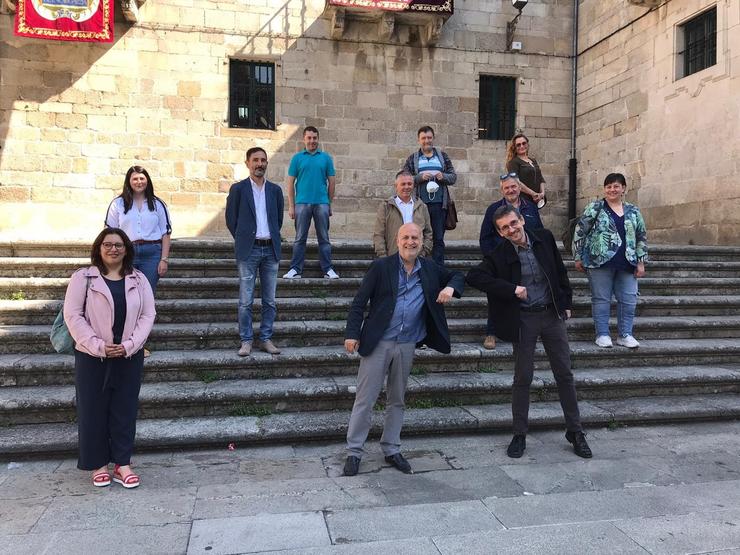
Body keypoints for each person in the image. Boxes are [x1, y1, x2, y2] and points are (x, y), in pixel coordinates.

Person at [466, 206, 592, 460]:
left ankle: (575, 431)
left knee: (564, 374)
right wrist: (511, 289)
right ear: (500, 233)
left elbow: (559, 271)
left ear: (522, 220)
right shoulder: (499, 254)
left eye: (513, 223)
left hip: (552, 315)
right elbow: (474, 277)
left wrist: (566, 303)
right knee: (523, 377)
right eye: (505, 227)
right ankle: (519, 434)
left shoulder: (543, 238)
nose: (511, 230)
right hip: (523, 319)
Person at [343, 223, 464, 476]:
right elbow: (358, 303)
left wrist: (450, 288)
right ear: (397, 241)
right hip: (379, 342)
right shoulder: (381, 267)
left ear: (422, 242)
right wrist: (352, 334)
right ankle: (354, 452)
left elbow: (458, 275)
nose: (411, 242)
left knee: (397, 399)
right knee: (365, 399)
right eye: (406, 237)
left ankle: (391, 449)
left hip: (408, 343)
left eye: (415, 238)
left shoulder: (429, 269)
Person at [63, 228, 155, 489]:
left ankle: (123, 463)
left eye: (118, 245)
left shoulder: (138, 279)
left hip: (128, 355)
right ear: (98, 248)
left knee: (124, 409)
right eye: (107, 244)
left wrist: (130, 345)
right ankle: (98, 464)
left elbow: (148, 315)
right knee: (93, 409)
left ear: (126, 249)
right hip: (92, 357)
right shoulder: (84, 277)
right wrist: (97, 346)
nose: (113, 249)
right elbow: (73, 315)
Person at [573, 173, 648, 349]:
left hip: (627, 261)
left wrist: (641, 261)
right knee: (601, 299)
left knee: (629, 299)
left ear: (623, 189)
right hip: (599, 261)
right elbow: (580, 231)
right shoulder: (595, 207)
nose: (612, 189)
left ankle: (625, 334)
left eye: (616, 186)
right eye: (608, 186)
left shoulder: (633, 211)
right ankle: (602, 335)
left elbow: (641, 236)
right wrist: (578, 256)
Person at [226, 147, 284, 356]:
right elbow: (231, 219)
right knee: (246, 300)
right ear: (247, 163)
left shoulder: (275, 191)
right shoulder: (238, 189)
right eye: (256, 160)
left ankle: (266, 338)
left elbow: (278, 220)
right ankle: (247, 340)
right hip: (248, 251)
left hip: (270, 250)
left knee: (269, 300)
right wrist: (244, 238)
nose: (260, 164)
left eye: (263, 160)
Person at [478, 172, 543, 350]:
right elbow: (485, 238)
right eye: (506, 188)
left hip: (526, 259)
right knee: (496, 295)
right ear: (502, 190)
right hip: (502, 262)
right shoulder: (493, 209)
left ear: (519, 187)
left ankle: (525, 331)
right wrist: (493, 259)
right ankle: (491, 332)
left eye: (513, 186)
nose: (510, 190)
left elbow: (539, 233)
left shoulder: (530, 208)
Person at [105, 166, 172, 293]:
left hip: (152, 254)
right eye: (135, 179)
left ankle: (147, 314)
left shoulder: (158, 204)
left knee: (147, 292)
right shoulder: (117, 204)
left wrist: (164, 260)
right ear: (128, 181)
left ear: (147, 181)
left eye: (142, 178)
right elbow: (109, 233)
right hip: (125, 253)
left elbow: (166, 233)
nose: (139, 182)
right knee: (125, 292)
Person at [283, 126, 339, 280]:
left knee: (324, 238)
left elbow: (332, 182)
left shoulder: (326, 158)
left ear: (318, 139)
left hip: (321, 203)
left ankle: (328, 269)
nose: (312, 141)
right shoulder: (297, 158)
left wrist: (329, 204)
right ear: (304, 139)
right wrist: (291, 205)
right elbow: (290, 183)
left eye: (314, 138)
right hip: (301, 203)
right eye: (309, 138)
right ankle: (295, 269)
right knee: (300, 238)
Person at [402, 125, 457, 265]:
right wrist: (419, 178)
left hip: (439, 205)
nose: (427, 141)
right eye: (424, 138)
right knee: (419, 236)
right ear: (419, 140)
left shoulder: (442, 157)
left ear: (433, 138)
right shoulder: (412, 158)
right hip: (419, 206)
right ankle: (419, 266)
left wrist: (442, 176)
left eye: (429, 137)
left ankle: (438, 270)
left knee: (438, 239)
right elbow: (404, 179)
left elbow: (453, 177)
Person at [373, 170, 433, 259]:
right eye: (403, 184)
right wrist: (383, 257)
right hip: (393, 257)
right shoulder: (386, 206)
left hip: (417, 258)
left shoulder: (422, 207)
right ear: (396, 186)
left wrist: (422, 253)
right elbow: (379, 234)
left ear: (413, 186)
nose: (406, 187)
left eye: (409, 184)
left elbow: (428, 233)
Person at [506, 133, 546, 207]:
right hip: (523, 200)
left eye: (524, 143)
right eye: (518, 144)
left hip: (536, 200)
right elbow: (516, 182)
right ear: (514, 147)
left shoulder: (533, 160)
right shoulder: (513, 162)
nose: (522, 146)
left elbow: (541, 178)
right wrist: (533, 194)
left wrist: (542, 193)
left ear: (527, 144)